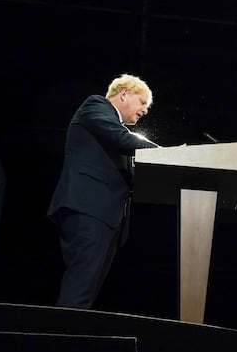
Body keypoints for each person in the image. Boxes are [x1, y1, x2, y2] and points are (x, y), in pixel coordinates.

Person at [47, 73, 161, 309]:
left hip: (106, 216)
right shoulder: (96, 105)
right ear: (124, 94)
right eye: (143, 103)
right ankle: (59, 340)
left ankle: (67, 337)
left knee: (86, 291)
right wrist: (166, 153)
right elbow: (122, 140)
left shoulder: (115, 127)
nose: (145, 111)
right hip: (89, 208)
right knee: (79, 288)